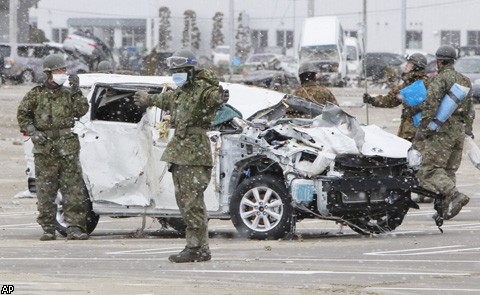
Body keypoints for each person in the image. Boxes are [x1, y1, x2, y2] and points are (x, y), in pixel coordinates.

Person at [133, 49, 229, 263]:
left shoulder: (202, 89)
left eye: (180, 72)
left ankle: (196, 247)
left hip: (193, 152)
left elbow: (212, 97)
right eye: (174, 71)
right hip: (182, 152)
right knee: (186, 201)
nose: (176, 75)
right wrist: (148, 99)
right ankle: (199, 247)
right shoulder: (181, 92)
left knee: (191, 202)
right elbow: (166, 99)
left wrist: (219, 97)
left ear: (190, 71)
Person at [17, 53, 90, 241]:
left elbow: (82, 110)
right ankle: (48, 228)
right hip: (45, 148)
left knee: (72, 189)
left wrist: (76, 90)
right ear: (49, 73)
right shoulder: (36, 94)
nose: (63, 73)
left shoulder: (69, 94)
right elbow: (23, 115)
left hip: (67, 147)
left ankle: (75, 227)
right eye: (59, 70)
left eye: (64, 70)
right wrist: (33, 132)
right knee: (46, 191)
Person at [415, 45, 475, 220]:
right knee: (448, 170)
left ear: (439, 61)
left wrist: (424, 129)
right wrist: (468, 130)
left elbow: (430, 106)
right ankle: (443, 208)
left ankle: (455, 195)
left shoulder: (439, 80)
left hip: (442, 131)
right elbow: (470, 110)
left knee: (431, 169)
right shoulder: (464, 80)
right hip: (459, 131)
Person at [363, 53, 429, 142]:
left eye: (410, 63)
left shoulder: (426, 84)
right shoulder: (407, 84)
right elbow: (391, 100)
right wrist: (372, 100)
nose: (406, 65)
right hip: (407, 129)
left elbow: (433, 104)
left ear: (416, 66)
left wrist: (417, 108)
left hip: (418, 130)